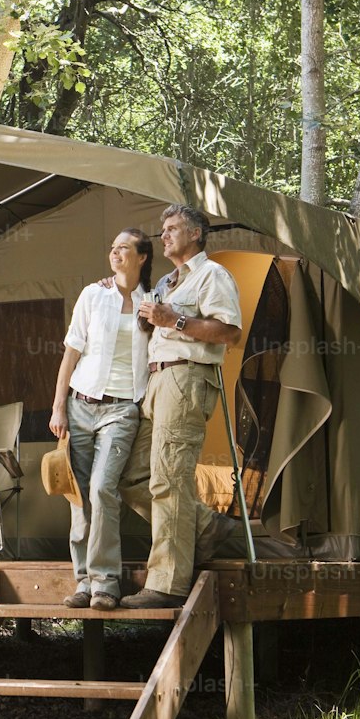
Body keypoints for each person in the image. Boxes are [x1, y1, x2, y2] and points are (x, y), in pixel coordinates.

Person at [118, 205, 241, 609]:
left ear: (196, 234)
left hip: (186, 377)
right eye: (163, 229)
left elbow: (230, 333)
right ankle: (206, 526)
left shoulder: (213, 275)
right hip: (156, 381)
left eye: (172, 229)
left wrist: (176, 321)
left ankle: (167, 584)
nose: (164, 235)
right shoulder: (167, 282)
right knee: (131, 473)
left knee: (169, 479)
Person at [49, 229, 153, 611]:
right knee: (78, 496)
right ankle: (83, 582)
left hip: (123, 409)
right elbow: (70, 354)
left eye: (123, 248)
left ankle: (106, 584)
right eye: (111, 248)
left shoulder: (153, 301)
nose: (114, 254)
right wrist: (59, 406)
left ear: (142, 257)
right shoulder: (94, 295)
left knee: (102, 489)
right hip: (80, 405)